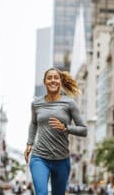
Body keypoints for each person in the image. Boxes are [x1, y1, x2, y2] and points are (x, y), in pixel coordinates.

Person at [24, 67, 87, 195]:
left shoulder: (69, 103)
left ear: (61, 81)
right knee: (41, 193)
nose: (53, 81)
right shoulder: (36, 104)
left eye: (56, 78)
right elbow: (34, 123)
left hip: (61, 159)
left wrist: (66, 128)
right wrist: (29, 144)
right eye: (49, 78)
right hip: (39, 157)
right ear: (44, 82)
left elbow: (84, 130)